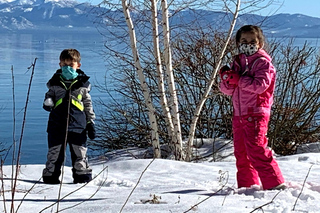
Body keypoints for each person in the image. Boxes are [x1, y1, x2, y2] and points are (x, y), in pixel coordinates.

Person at [219, 25, 285, 190]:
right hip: (239, 114)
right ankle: (247, 186)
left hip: (256, 112)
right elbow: (226, 90)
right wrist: (227, 80)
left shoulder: (263, 63)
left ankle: (275, 184)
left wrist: (239, 79)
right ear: (238, 43)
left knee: (256, 148)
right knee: (241, 153)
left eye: (252, 41)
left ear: (260, 43)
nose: (247, 44)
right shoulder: (237, 62)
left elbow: (260, 86)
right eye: (244, 41)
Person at [42, 48, 96, 184]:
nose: (67, 68)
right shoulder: (54, 84)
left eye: (70, 65)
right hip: (57, 125)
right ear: (60, 65)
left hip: (78, 125)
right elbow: (49, 98)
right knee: (54, 154)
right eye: (64, 65)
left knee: (80, 154)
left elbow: (88, 105)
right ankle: (50, 178)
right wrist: (48, 103)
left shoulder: (82, 86)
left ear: (78, 65)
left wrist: (90, 123)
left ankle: (82, 178)